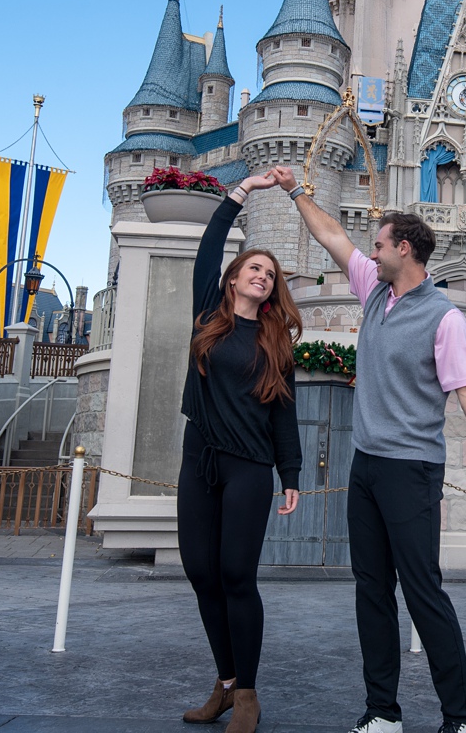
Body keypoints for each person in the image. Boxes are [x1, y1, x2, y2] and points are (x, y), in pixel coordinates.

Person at [268, 166, 466, 733]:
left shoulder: (443, 316)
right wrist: (297, 190)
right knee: (371, 591)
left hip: (413, 471)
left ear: (405, 249)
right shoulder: (372, 292)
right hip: (367, 468)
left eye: (379, 245)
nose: (370, 253)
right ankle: (382, 712)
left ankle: (461, 718)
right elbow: (332, 236)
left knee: (423, 592)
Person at [177, 172, 304, 733]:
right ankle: (225, 684)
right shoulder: (210, 313)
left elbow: (284, 412)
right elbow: (210, 245)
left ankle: (248, 692)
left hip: (250, 466)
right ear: (232, 280)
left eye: (270, 274)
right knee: (200, 572)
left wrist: (291, 473)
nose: (262, 275)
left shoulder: (275, 342)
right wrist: (245, 188)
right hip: (199, 458)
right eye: (254, 268)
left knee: (236, 575)